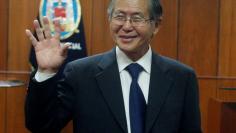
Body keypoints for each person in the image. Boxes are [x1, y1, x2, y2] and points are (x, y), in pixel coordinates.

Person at [25, 0, 202, 133]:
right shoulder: (80, 74)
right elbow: (41, 126)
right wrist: (45, 73)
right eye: (119, 17)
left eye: (137, 18)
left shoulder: (182, 77)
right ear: (109, 20)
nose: (126, 26)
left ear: (156, 25)